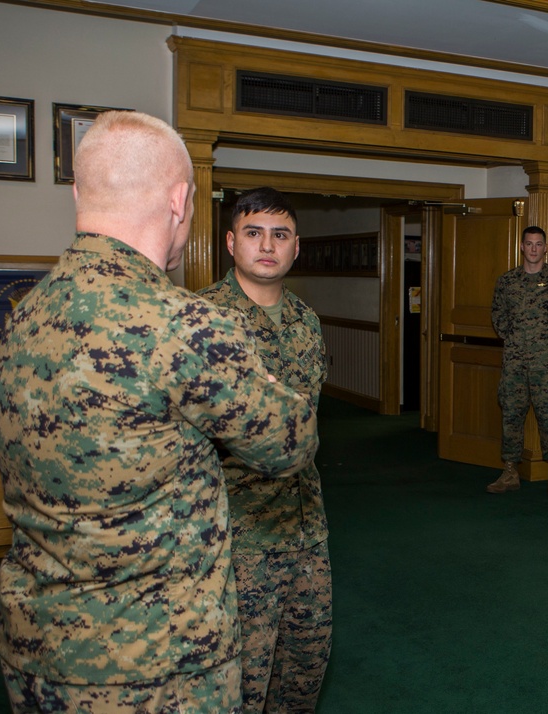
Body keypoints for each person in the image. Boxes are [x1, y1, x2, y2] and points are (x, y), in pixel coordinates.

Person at [0, 111, 319, 713]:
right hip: (154, 665)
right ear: (179, 200)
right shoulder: (184, 324)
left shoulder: (26, 312)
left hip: (36, 647)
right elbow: (291, 439)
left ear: (77, 193)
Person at [198, 188, 333, 710]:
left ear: (296, 248)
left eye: (280, 235)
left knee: (305, 666)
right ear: (231, 242)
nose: (267, 246)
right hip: (235, 535)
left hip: (305, 528)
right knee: (240, 679)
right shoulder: (201, 321)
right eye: (254, 233)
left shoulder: (306, 321)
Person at [486, 226, 548, 497]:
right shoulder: (507, 281)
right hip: (515, 363)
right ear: (521, 247)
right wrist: (515, 338)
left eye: (539, 244)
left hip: (546, 363)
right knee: (511, 416)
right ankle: (510, 471)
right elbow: (498, 316)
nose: (533, 249)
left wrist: (547, 339)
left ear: (545, 248)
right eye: (529, 244)